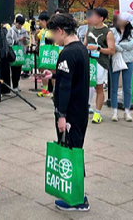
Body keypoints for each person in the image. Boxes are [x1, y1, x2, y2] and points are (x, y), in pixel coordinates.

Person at [48, 13, 91, 212]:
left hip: (71, 112)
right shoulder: (81, 48)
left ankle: (78, 199)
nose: (51, 37)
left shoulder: (67, 52)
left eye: (52, 33)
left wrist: (61, 115)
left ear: (60, 31)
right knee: (75, 149)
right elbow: (73, 77)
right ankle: (76, 193)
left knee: (72, 151)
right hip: (80, 109)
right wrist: (55, 74)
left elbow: (64, 87)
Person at [84, 7, 115, 124]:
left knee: (99, 87)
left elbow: (112, 50)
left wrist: (98, 48)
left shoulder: (108, 32)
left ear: (101, 18)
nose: (91, 17)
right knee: (87, 85)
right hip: (89, 61)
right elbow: (84, 44)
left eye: (94, 15)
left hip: (101, 63)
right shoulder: (89, 29)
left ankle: (97, 113)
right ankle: (86, 107)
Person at [110, 12, 133, 122]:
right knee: (114, 86)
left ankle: (127, 111)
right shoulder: (112, 31)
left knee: (127, 87)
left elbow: (132, 44)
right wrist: (123, 47)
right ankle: (114, 111)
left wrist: (118, 46)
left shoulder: (132, 31)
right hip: (115, 59)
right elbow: (110, 44)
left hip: (128, 60)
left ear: (127, 21)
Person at [7, 15, 30, 92]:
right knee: (14, 69)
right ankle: (14, 85)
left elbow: (28, 41)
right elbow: (8, 41)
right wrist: (17, 40)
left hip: (21, 53)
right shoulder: (11, 30)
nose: (19, 26)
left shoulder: (24, 31)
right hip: (14, 53)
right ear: (16, 23)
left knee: (19, 69)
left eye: (21, 24)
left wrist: (25, 40)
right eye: (18, 24)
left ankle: (17, 84)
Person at [36, 12, 54, 97]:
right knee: (43, 71)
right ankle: (45, 89)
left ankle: (54, 91)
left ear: (44, 21)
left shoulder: (51, 31)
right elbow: (37, 38)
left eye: (40, 21)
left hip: (50, 54)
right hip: (43, 54)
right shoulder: (43, 31)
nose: (39, 23)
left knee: (52, 72)